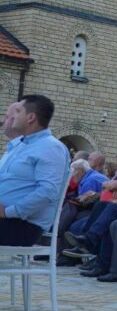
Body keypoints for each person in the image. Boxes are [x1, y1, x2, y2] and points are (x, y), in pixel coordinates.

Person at [0, 95, 70, 246]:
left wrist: (8, 212)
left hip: (21, 225)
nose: (13, 117)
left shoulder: (50, 147)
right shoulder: (21, 145)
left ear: (30, 117)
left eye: (17, 111)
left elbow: (48, 191)